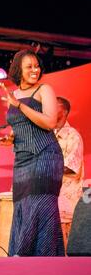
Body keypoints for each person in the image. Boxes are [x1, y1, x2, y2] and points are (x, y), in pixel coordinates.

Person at [0, 49, 64, 256]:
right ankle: (22, 259)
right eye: (29, 67)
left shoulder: (44, 89)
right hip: (22, 160)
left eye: (36, 66)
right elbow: (19, 127)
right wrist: (10, 138)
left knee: (40, 204)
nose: (35, 70)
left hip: (45, 155)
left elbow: (49, 122)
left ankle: (42, 259)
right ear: (19, 69)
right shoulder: (14, 95)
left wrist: (19, 106)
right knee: (23, 206)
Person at [55, 97, 84, 251]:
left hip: (64, 205)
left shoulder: (72, 136)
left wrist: (44, 168)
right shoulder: (48, 134)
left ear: (64, 111)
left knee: (64, 251)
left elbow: (71, 167)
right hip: (50, 203)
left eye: (54, 105)